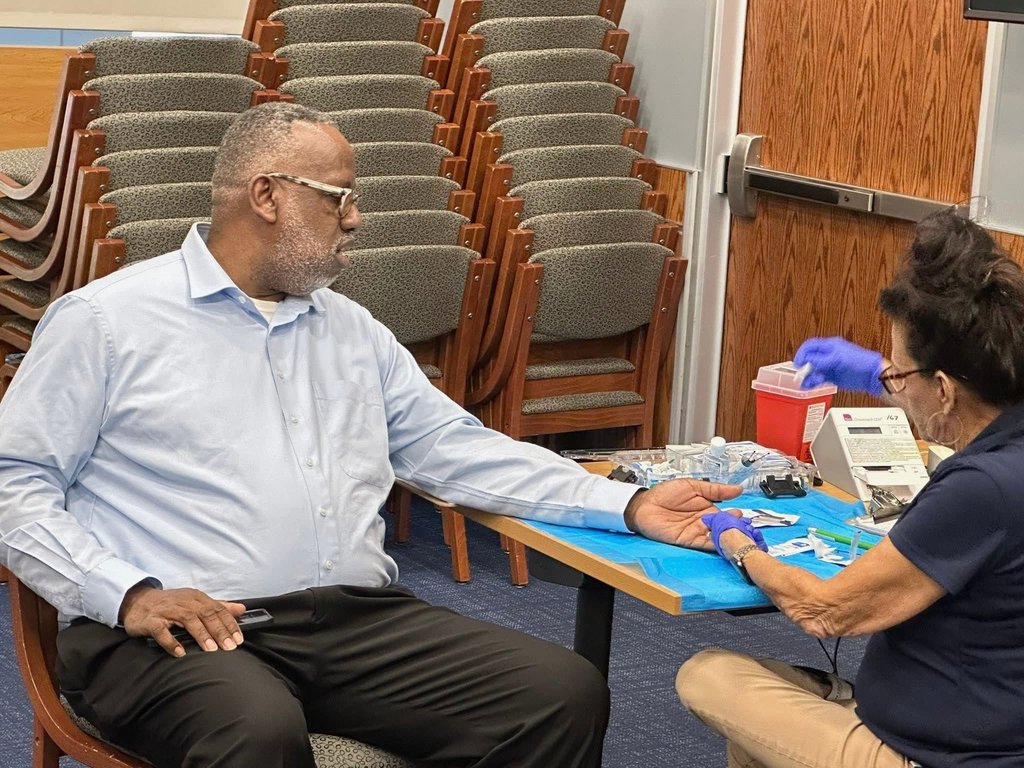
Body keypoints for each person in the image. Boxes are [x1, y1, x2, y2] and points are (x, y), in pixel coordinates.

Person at [0, 102, 740, 768]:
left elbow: (456, 448)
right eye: (339, 198)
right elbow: (13, 482)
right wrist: (126, 593)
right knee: (253, 732)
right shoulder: (107, 321)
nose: (354, 218)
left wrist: (628, 506)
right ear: (268, 195)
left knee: (560, 691)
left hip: (352, 623)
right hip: (174, 627)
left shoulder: (350, 330)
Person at [676, 209, 1024, 768]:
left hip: (937, 755)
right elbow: (960, 411)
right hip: (971, 718)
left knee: (707, 674)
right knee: (754, 738)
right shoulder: (1006, 432)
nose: (890, 379)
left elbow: (823, 613)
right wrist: (880, 376)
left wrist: (738, 544)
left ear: (943, 386)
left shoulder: (981, 489)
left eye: (900, 372)